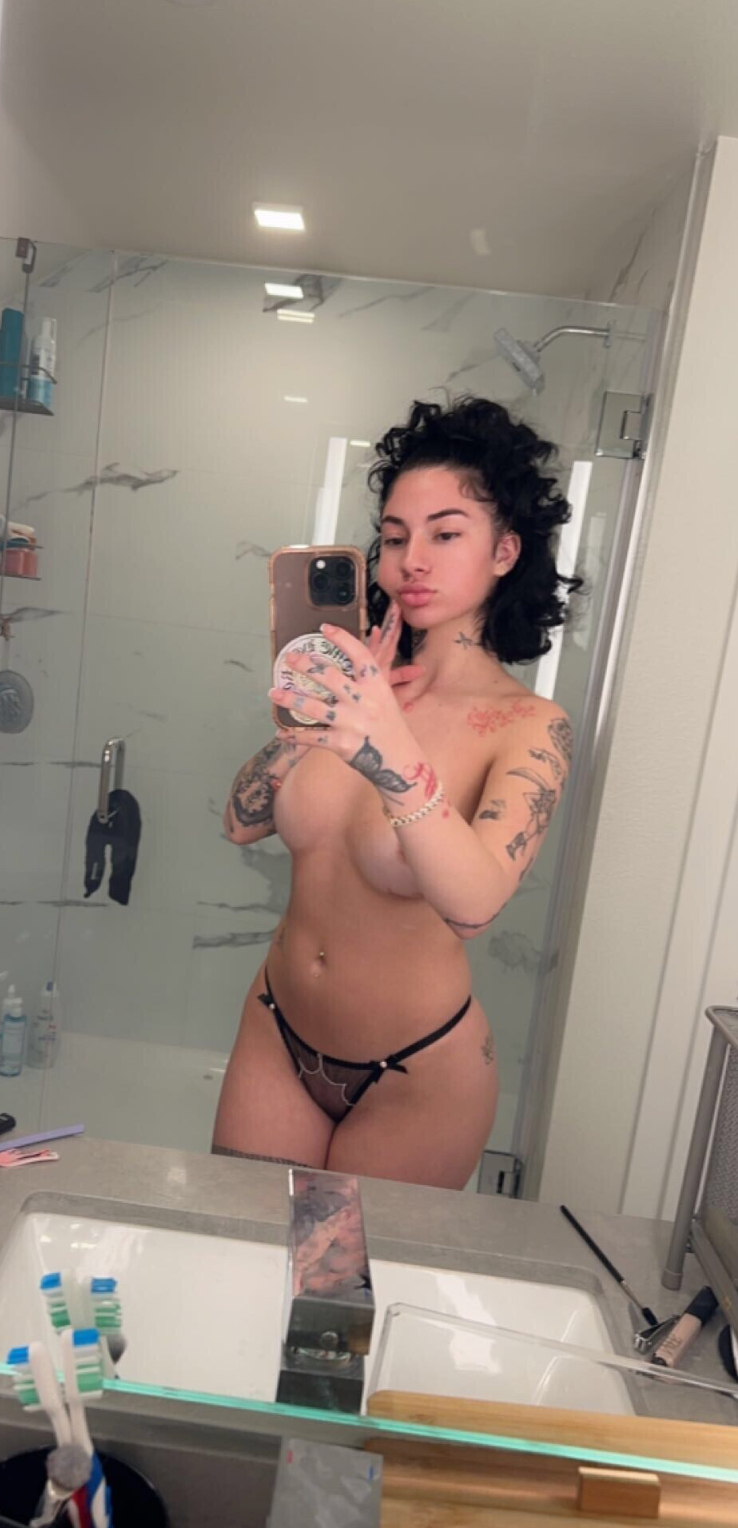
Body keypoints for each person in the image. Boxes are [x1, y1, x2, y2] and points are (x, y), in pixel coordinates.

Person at [213, 396, 580, 1188]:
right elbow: (240, 822)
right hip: (276, 1028)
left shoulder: (528, 725)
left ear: (504, 551)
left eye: (446, 534)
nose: (413, 559)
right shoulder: (357, 693)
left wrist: (390, 749)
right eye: (395, 536)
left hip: (416, 1074)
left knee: (342, 1274)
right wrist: (312, 719)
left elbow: (474, 906)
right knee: (243, 1246)